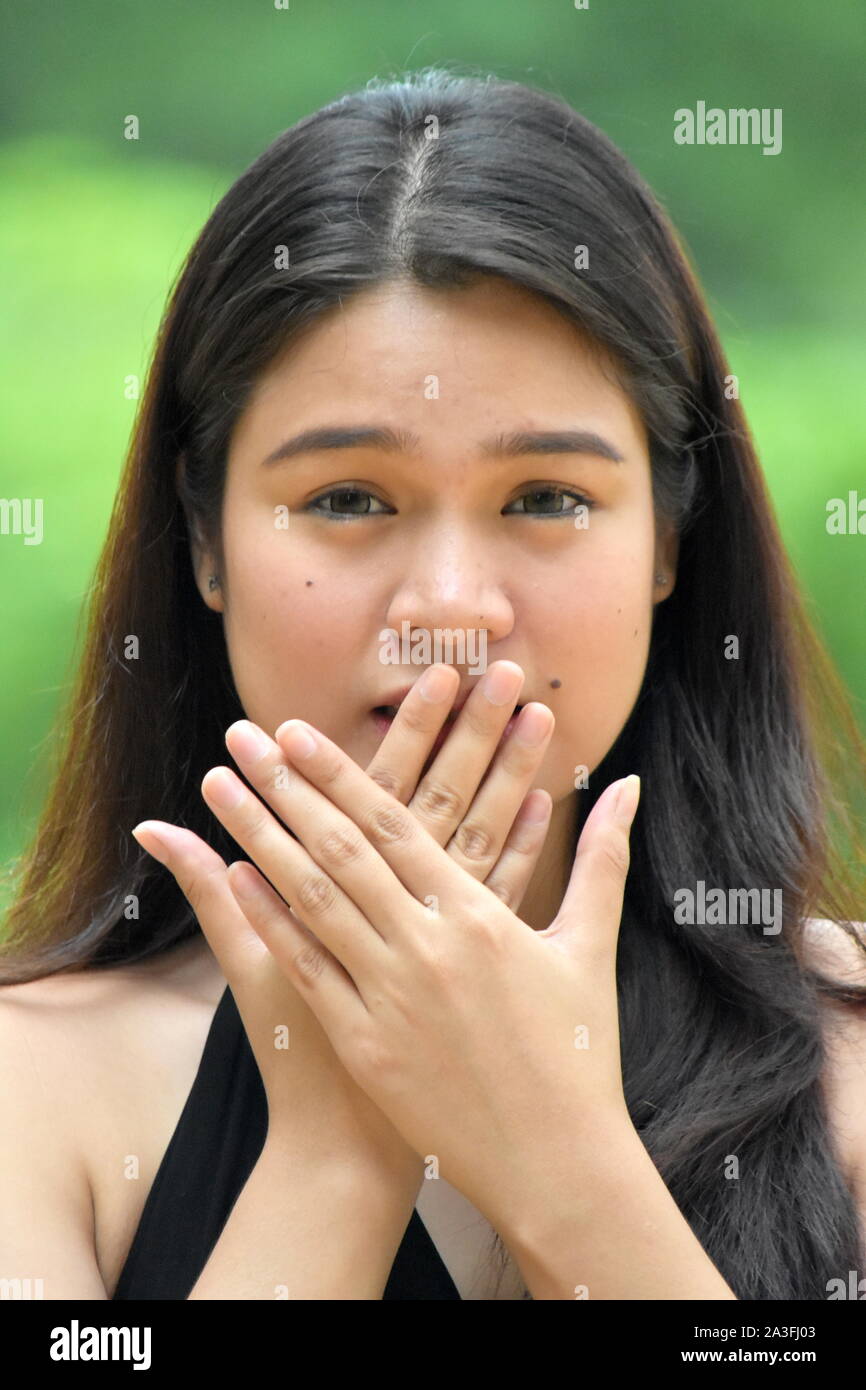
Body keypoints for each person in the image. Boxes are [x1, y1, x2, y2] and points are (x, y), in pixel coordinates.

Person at [1, 66, 864, 1302]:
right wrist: (341, 1149)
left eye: (544, 500)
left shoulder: (848, 1066)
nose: (450, 610)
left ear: (670, 541)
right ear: (204, 543)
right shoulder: (31, 1091)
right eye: (346, 499)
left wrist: (561, 1167)